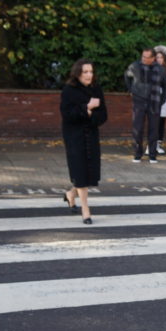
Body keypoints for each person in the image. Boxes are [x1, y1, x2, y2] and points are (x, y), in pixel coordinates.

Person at [60, 58, 107, 225]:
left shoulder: (96, 89)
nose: (89, 75)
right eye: (85, 72)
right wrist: (86, 108)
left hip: (91, 135)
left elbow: (103, 115)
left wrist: (92, 114)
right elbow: (67, 114)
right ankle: (85, 210)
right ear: (78, 73)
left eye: (91, 72)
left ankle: (71, 194)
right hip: (74, 136)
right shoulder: (69, 90)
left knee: (88, 173)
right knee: (79, 170)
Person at [124, 47, 166, 163]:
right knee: (137, 128)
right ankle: (137, 154)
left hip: (154, 101)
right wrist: (131, 90)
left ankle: (152, 155)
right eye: (143, 56)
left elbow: (165, 85)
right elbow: (127, 77)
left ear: (153, 58)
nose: (143, 59)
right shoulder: (134, 66)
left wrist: (162, 100)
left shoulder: (160, 69)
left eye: (147, 57)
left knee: (154, 129)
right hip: (139, 100)